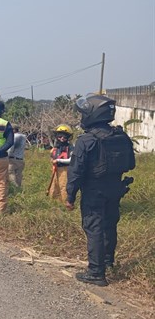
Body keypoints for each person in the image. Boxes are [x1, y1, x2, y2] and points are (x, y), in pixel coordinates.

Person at [65, 94, 135, 287]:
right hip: (116, 188)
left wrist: (70, 196)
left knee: (94, 227)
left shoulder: (86, 140)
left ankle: (96, 272)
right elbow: (131, 163)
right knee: (109, 225)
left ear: (93, 114)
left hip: (94, 191)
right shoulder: (121, 136)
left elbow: (76, 171)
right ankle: (107, 262)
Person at [46, 124, 74, 202]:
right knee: (54, 186)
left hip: (65, 169)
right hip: (55, 169)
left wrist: (58, 160)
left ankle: (65, 203)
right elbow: (51, 157)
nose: (62, 138)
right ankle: (54, 203)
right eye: (60, 136)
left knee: (64, 186)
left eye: (65, 137)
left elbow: (71, 160)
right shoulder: (55, 148)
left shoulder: (71, 147)